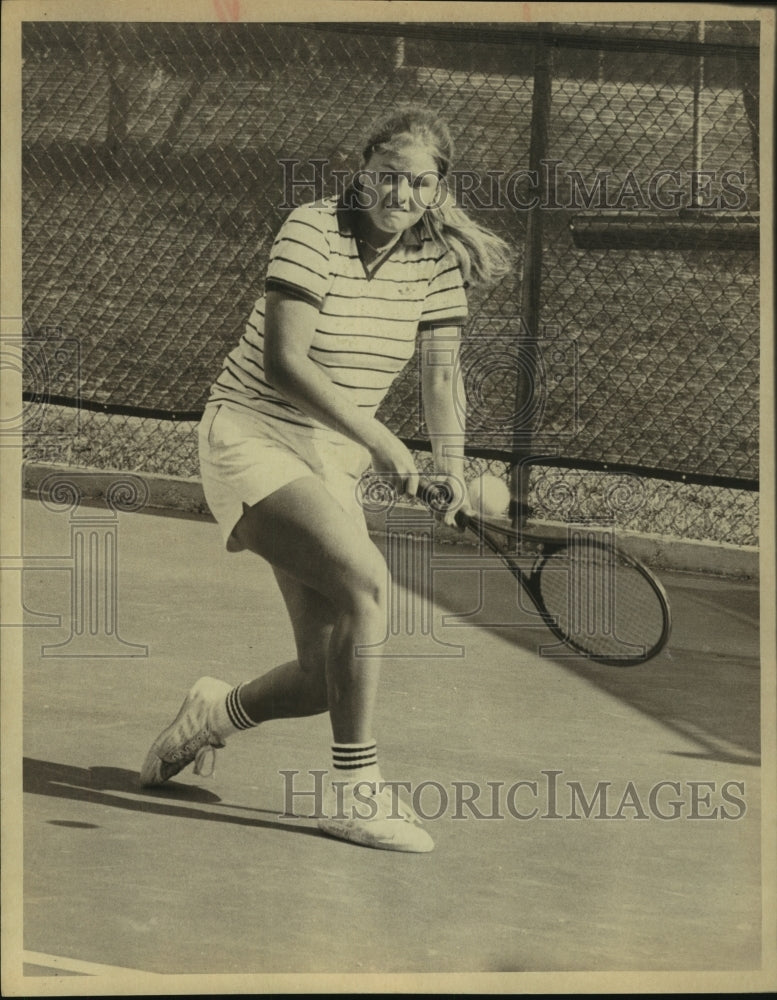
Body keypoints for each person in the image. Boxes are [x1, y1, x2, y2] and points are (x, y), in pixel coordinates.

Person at [140, 106, 512, 852]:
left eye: (418, 183)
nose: (399, 195)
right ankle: (353, 795)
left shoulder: (434, 261)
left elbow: (442, 376)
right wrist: (384, 446)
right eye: (387, 176)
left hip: (328, 458)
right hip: (250, 434)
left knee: (325, 676)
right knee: (368, 585)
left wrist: (449, 466)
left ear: (437, 192)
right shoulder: (312, 227)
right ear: (361, 168)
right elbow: (286, 361)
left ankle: (217, 710)